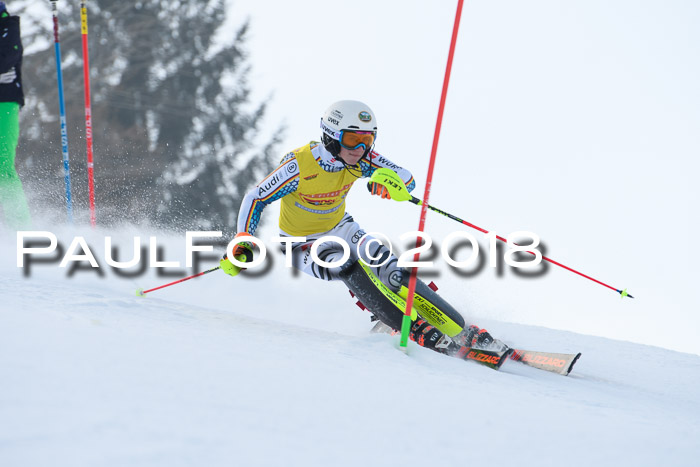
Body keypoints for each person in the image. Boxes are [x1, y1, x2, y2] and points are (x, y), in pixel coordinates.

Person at [220, 100, 502, 360]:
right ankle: (409, 326)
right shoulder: (298, 165)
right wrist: (243, 239)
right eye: (352, 139)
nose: (360, 148)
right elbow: (256, 197)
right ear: (330, 137)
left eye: (367, 139)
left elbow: (406, 178)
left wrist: (386, 181)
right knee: (345, 264)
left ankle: (459, 329)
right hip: (301, 245)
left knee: (392, 269)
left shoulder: (362, 160)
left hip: (343, 229)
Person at [0, 1, 31, 230]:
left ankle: (20, 230)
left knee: (2, 166)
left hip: (4, 101)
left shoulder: (7, 27)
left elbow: (5, 60)